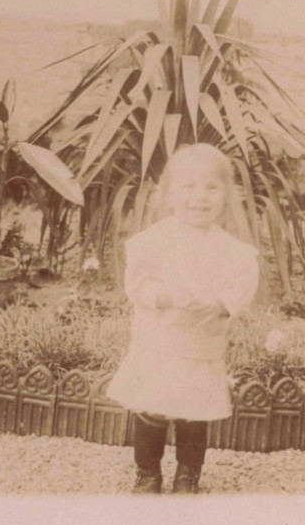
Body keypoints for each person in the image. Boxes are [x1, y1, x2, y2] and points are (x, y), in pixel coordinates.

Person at [107, 143, 259, 494]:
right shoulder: (152, 242)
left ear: (227, 195)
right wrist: (167, 296)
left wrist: (221, 304)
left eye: (211, 187)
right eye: (188, 187)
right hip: (159, 343)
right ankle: (147, 473)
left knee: (195, 414)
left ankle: (188, 474)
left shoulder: (233, 251)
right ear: (168, 195)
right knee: (151, 411)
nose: (199, 197)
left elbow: (243, 285)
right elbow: (138, 286)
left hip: (200, 347)